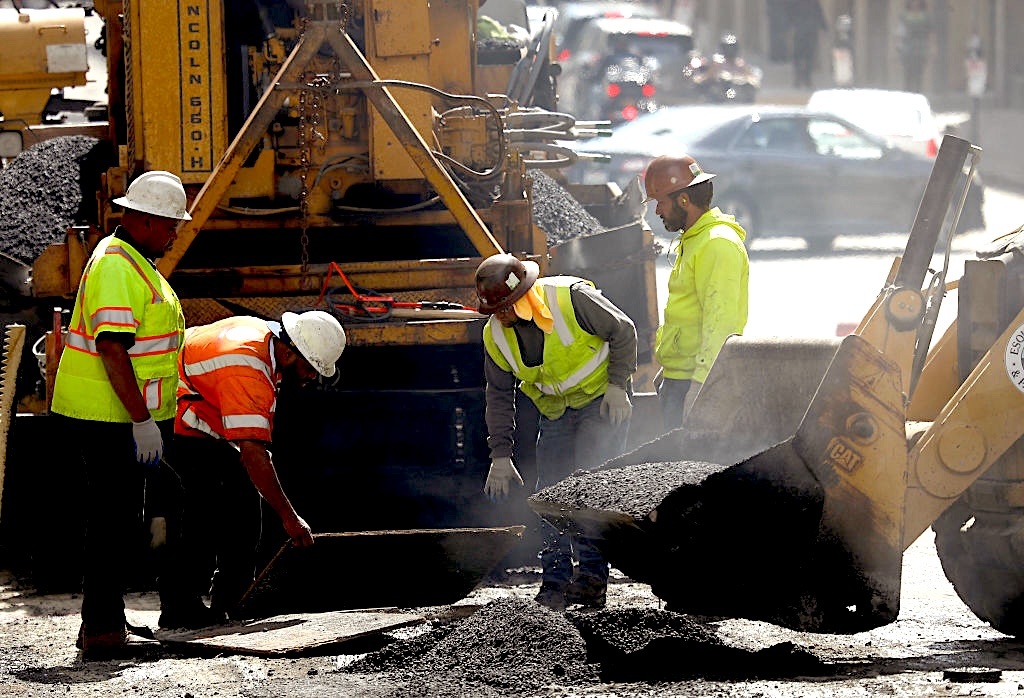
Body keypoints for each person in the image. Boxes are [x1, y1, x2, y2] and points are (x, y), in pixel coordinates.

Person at [50, 170, 190, 659]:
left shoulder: (133, 261)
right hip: (111, 418)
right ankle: (103, 630)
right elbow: (113, 350)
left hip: (119, 417)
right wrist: (141, 420)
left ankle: (106, 621)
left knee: (119, 519)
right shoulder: (117, 266)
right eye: (171, 223)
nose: (176, 233)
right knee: (112, 521)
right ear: (146, 220)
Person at [156, 310, 346, 629]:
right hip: (173, 415)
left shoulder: (261, 336)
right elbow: (254, 455)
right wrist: (290, 518)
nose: (312, 377)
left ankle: (233, 599)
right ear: (288, 352)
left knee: (240, 498)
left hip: (188, 406)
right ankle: (181, 606)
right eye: (310, 368)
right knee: (203, 502)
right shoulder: (247, 366)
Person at [475, 253, 637, 612]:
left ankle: (593, 581)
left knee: (591, 490)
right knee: (549, 494)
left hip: (601, 403)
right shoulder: (495, 336)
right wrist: (500, 456)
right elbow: (499, 395)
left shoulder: (571, 298)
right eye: (494, 310)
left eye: (506, 306)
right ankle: (554, 582)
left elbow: (623, 330)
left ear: (525, 295)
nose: (500, 315)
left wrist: (617, 385)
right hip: (557, 414)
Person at [641, 154, 749, 431]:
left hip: (696, 382)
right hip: (681, 378)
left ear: (683, 200)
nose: (657, 212)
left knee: (688, 465)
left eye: (660, 203)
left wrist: (701, 387)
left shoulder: (717, 245)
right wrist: (669, 368)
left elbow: (720, 324)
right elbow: (688, 313)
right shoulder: (696, 239)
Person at [791, 0, 826, 88]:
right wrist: (824, 27)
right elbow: (819, 13)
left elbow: (819, 13)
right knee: (806, 56)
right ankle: (804, 79)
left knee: (801, 56)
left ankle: (801, 79)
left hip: (803, 30)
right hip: (808, 30)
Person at [898, 0, 932, 93]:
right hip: (907, 49)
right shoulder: (904, 16)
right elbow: (900, 32)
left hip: (920, 49)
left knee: (919, 75)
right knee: (907, 75)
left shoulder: (926, 17)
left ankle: (918, 94)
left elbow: (930, 33)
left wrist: (931, 48)